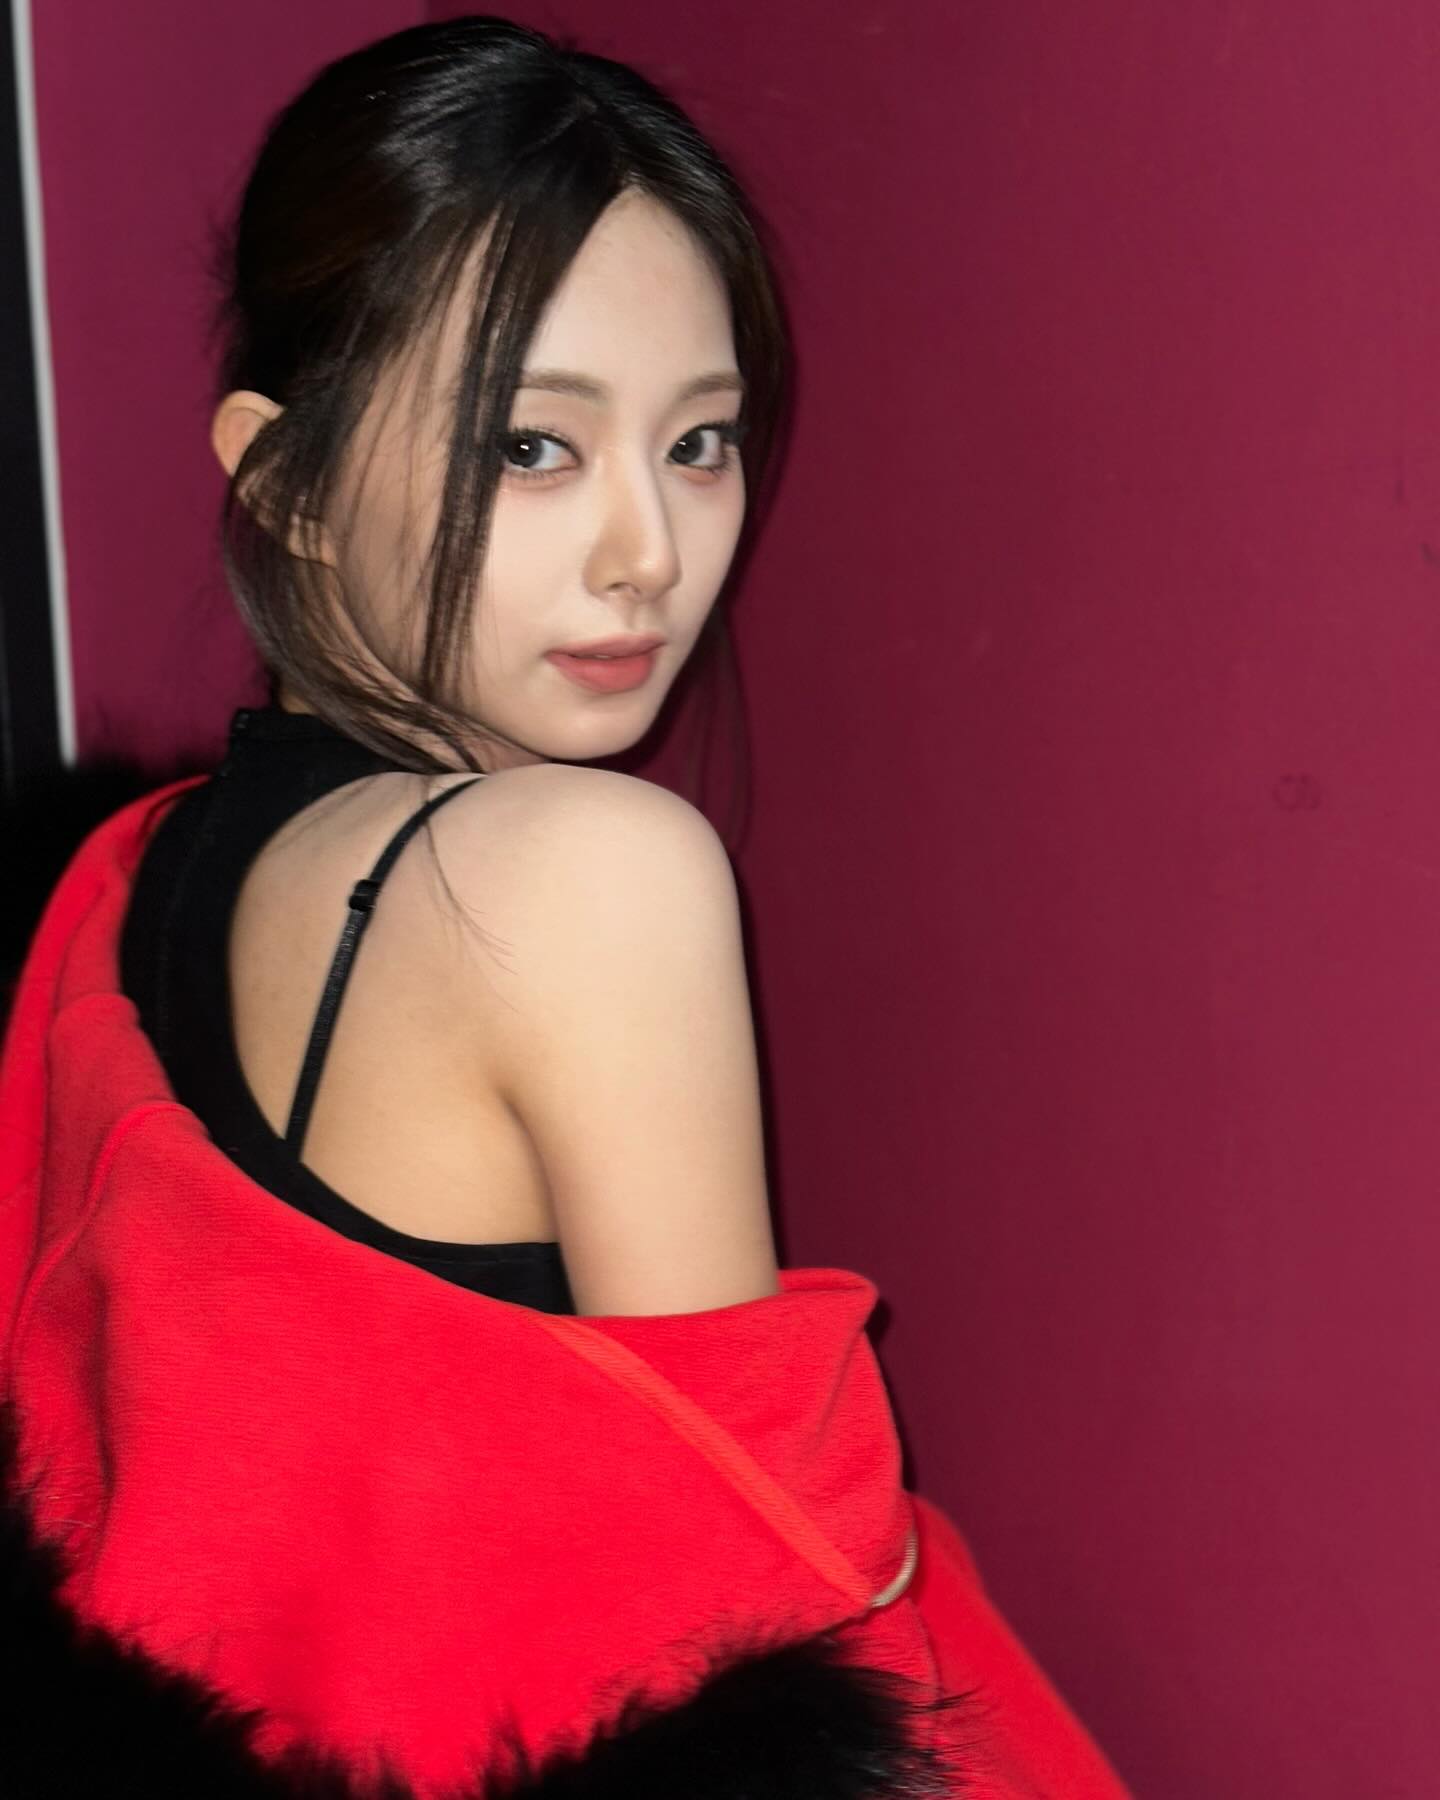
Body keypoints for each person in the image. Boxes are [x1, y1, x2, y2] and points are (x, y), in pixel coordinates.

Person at [0, 16, 1133, 1797]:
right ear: (285, 483)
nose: (650, 553)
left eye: (701, 443)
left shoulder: (137, 876)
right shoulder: (588, 873)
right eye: (534, 447)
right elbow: (778, 1622)